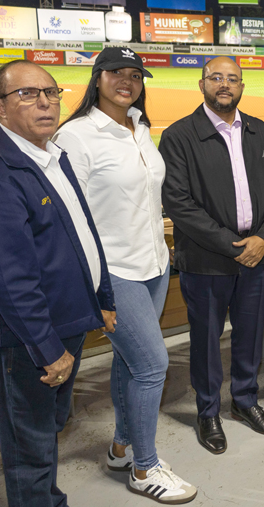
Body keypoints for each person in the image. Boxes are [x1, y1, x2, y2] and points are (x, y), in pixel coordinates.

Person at [0, 60, 116, 506]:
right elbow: (9, 278)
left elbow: (80, 234)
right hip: (30, 340)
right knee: (30, 450)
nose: (45, 102)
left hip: (65, 324)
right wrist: (48, 349)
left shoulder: (49, 154)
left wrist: (100, 299)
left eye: (51, 91)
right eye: (27, 94)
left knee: (46, 430)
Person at [53, 48, 196, 503]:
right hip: (112, 271)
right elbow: (69, 215)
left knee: (130, 363)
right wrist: (93, 285)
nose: (127, 81)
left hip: (153, 263)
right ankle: (144, 467)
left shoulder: (141, 126)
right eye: (116, 72)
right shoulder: (76, 134)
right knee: (153, 365)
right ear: (97, 78)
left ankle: (120, 447)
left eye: (135, 75)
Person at [159, 56, 264, 453]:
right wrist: (235, 245)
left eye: (232, 79)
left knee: (249, 337)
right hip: (208, 260)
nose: (224, 84)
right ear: (202, 85)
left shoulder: (260, 132)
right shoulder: (179, 135)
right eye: (216, 78)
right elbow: (178, 202)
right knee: (207, 341)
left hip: (257, 254)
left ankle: (245, 401)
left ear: (242, 86)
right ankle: (208, 411)